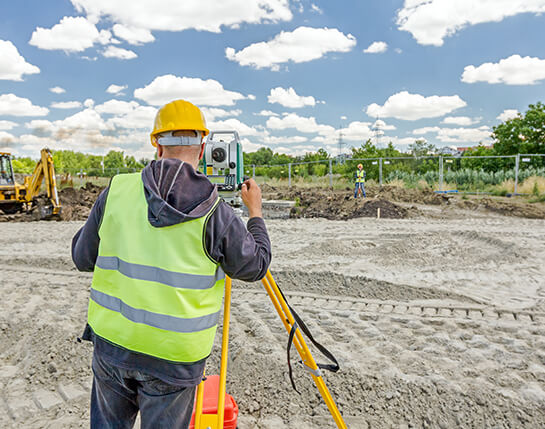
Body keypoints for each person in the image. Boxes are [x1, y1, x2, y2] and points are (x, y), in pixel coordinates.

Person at [72, 99, 271, 429]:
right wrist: (255, 214)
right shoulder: (214, 211)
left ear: (156, 144)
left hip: (113, 348)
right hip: (175, 361)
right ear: (204, 147)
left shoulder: (116, 191)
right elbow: (255, 265)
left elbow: (82, 258)